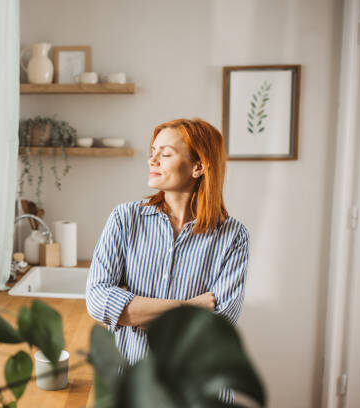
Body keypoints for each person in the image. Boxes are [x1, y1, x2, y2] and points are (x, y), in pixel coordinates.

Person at [85, 118, 250, 405]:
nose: (152, 159)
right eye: (153, 151)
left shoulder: (233, 236)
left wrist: (132, 308)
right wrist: (193, 306)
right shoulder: (125, 219)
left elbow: (217, 325)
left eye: (166, 153)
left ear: (198, 166)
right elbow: (98, 300)